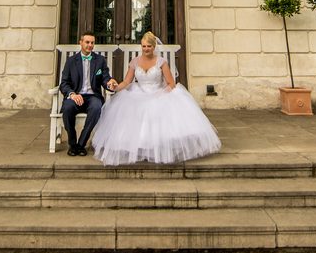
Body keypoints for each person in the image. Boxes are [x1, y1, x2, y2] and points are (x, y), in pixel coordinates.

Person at [92, 31, 221, 165]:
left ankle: (158, 149)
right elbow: (126, 82)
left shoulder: (161, 62)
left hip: (158, 92)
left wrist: (161, 94)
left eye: (149, 46)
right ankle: (140, 148)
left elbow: (171, 83)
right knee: (132, 109)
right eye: (143, 46)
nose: (146, 49)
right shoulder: (135, 62)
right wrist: (116, 87)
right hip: (139, 93)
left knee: (155, 109)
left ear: (154, 47)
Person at [60, 32, 118, 156]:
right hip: (76, 96)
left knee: (97, 107)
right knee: (67, 108)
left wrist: (110, 84)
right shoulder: (71, 61)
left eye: (92, 43)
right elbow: (64, 83)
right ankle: (72, 144)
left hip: (93, 96)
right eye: (87, 42)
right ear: (80, 43)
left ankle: (81, 144)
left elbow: (105, 78)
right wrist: (72, 94)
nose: (90, 45)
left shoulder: (100, 60)